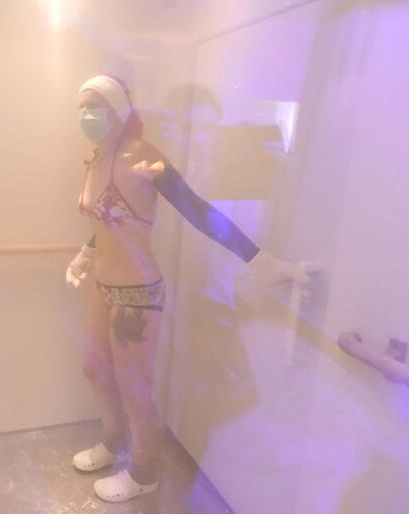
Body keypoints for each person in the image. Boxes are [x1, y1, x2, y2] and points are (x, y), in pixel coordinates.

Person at [66, 75, 310, 503]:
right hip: (103, 286)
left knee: (133, 386)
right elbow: (109, 218)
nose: (87, 115)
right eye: (82, 107)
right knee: (94, 369)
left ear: (118, 110)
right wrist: (86, 253)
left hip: (137, 293)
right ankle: (113, 442)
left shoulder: (143, 157)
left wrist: (260, 260)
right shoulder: (97, 156)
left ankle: (144, 473)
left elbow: (196, 208)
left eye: (96, 107)